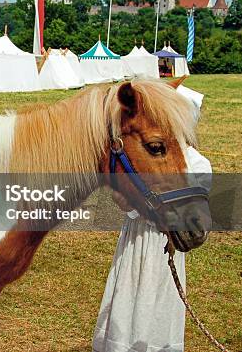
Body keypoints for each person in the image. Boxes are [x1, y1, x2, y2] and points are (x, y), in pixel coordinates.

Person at [93, 85, 212, 352]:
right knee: (128, 293)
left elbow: (190, 206)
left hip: (166, 243)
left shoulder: (197, 164)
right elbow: (128, 200)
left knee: (158, 300)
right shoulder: (157, 157)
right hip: (137, 240)